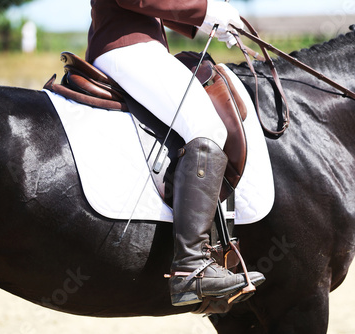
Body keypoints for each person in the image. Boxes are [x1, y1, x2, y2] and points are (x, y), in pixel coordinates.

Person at [86, 0, 265, 306]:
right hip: (128, 46)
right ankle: (191, 267)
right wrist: (206, 10)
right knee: (207, 126)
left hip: (134, 44)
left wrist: (203, 21)